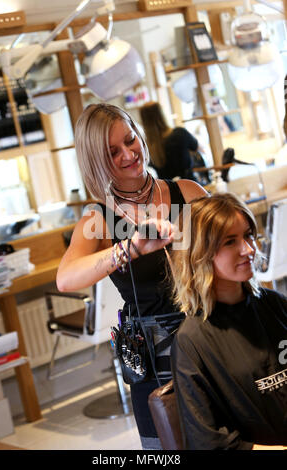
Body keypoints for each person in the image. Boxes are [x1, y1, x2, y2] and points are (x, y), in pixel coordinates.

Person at [56, 103, 207, 450]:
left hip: (207, 338)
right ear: (96, 160)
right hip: (153, 358)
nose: (128, 154)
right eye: (113, 151)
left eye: (130, 140)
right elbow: (66, 278)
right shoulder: (98, 218)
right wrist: (132, 247)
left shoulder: (189, 192)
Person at [170, 193, 287, 451]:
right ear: (200, 253)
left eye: (248, 235)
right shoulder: (192, 343)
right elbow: (208, 442)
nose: (249, 249)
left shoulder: (274, 305)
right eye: (230, 242)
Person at [139, 101, 209, 183]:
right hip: (190, 187)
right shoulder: (180, 133)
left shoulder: (146, 147)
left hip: (169, 192)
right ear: (162, 115)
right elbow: (202, 149)